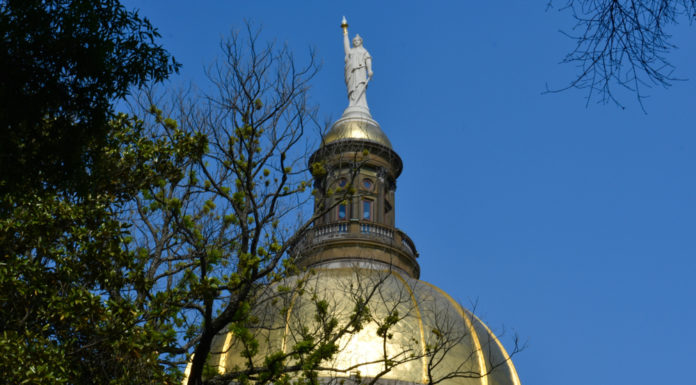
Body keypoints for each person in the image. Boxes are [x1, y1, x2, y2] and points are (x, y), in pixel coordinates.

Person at [343, 32, 373, 110]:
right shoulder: (351, 51)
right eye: (355, 41)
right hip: (352, 73)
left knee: (360, 86)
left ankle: (362, 104)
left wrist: (369, 70)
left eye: (358, 41)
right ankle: (352, 103)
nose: (356, 42)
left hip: (360, 71)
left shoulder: (364, 51)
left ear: (360, 42)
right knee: (352, 89)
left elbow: (368, 59)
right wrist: (345, 34)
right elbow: (346, 46)